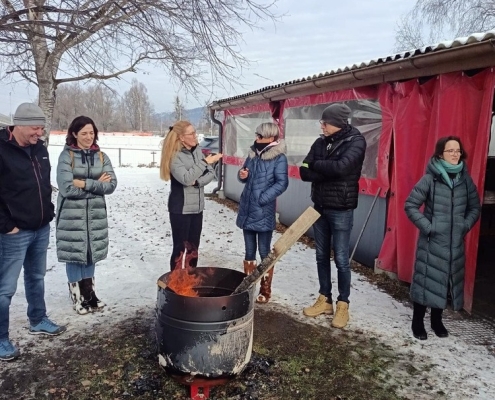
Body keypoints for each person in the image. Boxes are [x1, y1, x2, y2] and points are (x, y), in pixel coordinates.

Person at [0, 103, 66, 361]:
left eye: (42, 128)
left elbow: (43, 184)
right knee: (5, 288)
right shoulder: (2, 149)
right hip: (14, 233)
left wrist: (48, 211)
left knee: (36, 277)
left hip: (40, 227)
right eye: (35, 128)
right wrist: (7, 226)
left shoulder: (39, 148)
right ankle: (1, 338)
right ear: (19, 125)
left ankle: (37, 319)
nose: (40, 133)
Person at [404, 136, 480, 340]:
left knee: (444, 280)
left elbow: (475, 207)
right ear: (440, 154)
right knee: (426, 280)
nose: (455, 154)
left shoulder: (465, 181)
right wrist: (429, 227)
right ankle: (417, 321)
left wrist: (464, 225)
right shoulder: (430, 179)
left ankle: (436, 321)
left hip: (454, 243)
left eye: (458, 151)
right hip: (432, 241)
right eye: (450, 150)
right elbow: (410, 205)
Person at [299, 103, 366, 329]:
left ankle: (343, 304)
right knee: (321, 255)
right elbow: (304, 170)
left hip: (341, 208)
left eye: (325, 123)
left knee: (341, 259)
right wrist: (326, 169)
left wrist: (318, 166)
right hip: (319, 206)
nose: (322, 126)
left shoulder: (355, 141)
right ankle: (324, 299)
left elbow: (342, 168)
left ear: (337, 123)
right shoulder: (320, 142)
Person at [56, 116, 117, 315]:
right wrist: (97, 186)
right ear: (74, 134)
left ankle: (89, 294)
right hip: (71, 217)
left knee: (91, 253)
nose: (89, 137)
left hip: (95, 215)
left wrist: (84, 183)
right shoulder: (66, 157)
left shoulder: (101, 156)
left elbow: (111, 185)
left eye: (92, 133)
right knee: (75, 254)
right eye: (84, 133)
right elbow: (67, 188)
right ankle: (77, 298)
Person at [237, 123, 289, 303]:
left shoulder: (279, 158)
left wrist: (262, 198)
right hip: (247, 209)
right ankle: (248, 288)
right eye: (256, 135)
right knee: (249, 251)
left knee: (264, 251)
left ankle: (265, 290)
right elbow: (244, 175)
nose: (256, 138)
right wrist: (242, 175)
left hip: (263, 210)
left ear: (270, 137)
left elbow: (282, 183)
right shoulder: (253, 154)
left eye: (260, 136)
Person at [160, 121, 222, 270]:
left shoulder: (197, 151)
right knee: (180, 249)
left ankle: (191, 278)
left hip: (197, 208)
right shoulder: (175, 156)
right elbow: (186, 178)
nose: (196, 136)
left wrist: (197, 182)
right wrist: (204, 162)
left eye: (195, 132)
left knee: (193, 249)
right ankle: (176, 280)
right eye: (192, 133)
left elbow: (211, 173)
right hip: (181, 209)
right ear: (182, 137)